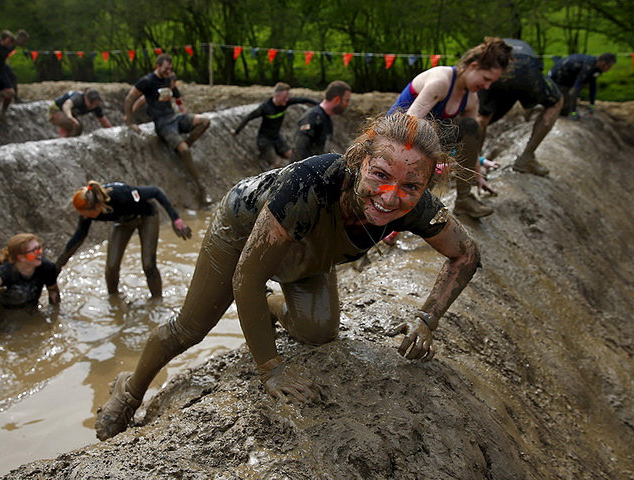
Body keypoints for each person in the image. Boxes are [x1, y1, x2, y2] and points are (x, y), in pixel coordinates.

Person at [94, 112, 481, 441]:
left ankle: (268, 304)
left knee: (319, 331)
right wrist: (271, 368)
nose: (390, 196)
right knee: (190, 329)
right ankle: (129, 390)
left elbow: (465, 255)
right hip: (244, 232)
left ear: (427, 185)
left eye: (411, 186)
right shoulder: (307, 184)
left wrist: (427, 318)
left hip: (310, 248)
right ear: (360, 160)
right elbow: (246, 274)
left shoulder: (418, 207)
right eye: (379, 175)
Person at [386, 38, 512, 218]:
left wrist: (477, 175)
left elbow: (471, 142)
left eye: (491, 83)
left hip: (425, 144)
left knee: (470, 125)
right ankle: (401, 212)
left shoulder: (471, 99)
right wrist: (438, 159)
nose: (487, 86)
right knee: (434, 133)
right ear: (473, 66)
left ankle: (464, 201)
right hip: (393, 137)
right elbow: (407, 125)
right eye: (486, 79)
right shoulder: (441, 81)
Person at [55, 181, 192, 299]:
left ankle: (157, 301)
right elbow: (79, 237)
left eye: (85, 214)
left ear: (97, 206)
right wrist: (59, 264)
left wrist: (176, 219)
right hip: (123, 222)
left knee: (148, 265)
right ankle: (113, 300)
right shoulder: (88, 211)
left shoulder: (122, 195)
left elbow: (156, 191)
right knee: (112, 265)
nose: (83, 217)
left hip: (146, 216)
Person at [124, 54, 213, 207]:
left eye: (170, 69)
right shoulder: (147, 81)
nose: (168, 71)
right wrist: (130, 121)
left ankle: (184, 143)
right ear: (158, 66)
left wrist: (182, 110)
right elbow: (130, 99)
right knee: (184, 150)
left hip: (175, 118)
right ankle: (201, 188)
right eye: (165, 69)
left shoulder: (169, 80)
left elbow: (178, 98)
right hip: (163, 124)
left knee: (205, 121)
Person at [476, 38, 563, 176]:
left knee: (482, 117)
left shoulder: (490, 51)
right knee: (556, 102)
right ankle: (526, 157)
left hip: (496, 71)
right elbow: (537, 73)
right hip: (527, 70)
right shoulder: (524, 47)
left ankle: (474, 165)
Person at [0, 233, 60, 334]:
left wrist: (55, 316)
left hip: (25, 311)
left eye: (39, 248)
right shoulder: (8, 270)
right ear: (21, 257)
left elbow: (53, 291)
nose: (40, 252)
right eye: (34, 250)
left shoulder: (47, 268)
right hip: (1, 310)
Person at [232, 82, 318, 168]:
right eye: (285, 97)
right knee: (277, 163)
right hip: (265, 140)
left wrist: (320, 105)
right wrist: (237, 131)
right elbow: (249, 117)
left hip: (276, 137)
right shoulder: (265, 107)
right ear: (277, 95)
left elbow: (303, 100)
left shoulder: (286, 103)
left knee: (293, 156)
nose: (287, 99)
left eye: (288, 97)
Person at [291, 80, 352, 162]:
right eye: (346, 100)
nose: (347, 104)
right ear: (337, 99)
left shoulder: (326, 119)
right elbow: (298, 151)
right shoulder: (312, 117)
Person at [549, 52, 617, 119]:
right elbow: (575, 89)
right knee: (564, 109)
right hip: (558, 78)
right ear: (603, 63)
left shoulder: (596, 67)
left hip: (569, 78)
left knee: (573, 95)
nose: (609, 69)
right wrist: (573, 112)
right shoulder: (587, 67)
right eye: (609, 66)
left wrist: (592, 103)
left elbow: (593, 84)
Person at [48, 89, 112, 137]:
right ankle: (68, 141)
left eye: (96, 104)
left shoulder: (96, 107)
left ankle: (66, 139)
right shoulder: (78, 98)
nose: (93, 106)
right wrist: (69, 116)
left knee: (74, 125)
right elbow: (66, 105)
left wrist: (112, 132)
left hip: (67, 114)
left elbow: (103, 121)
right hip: (56, 110)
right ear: (85, 98)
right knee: (77, 126)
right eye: (91, 103)